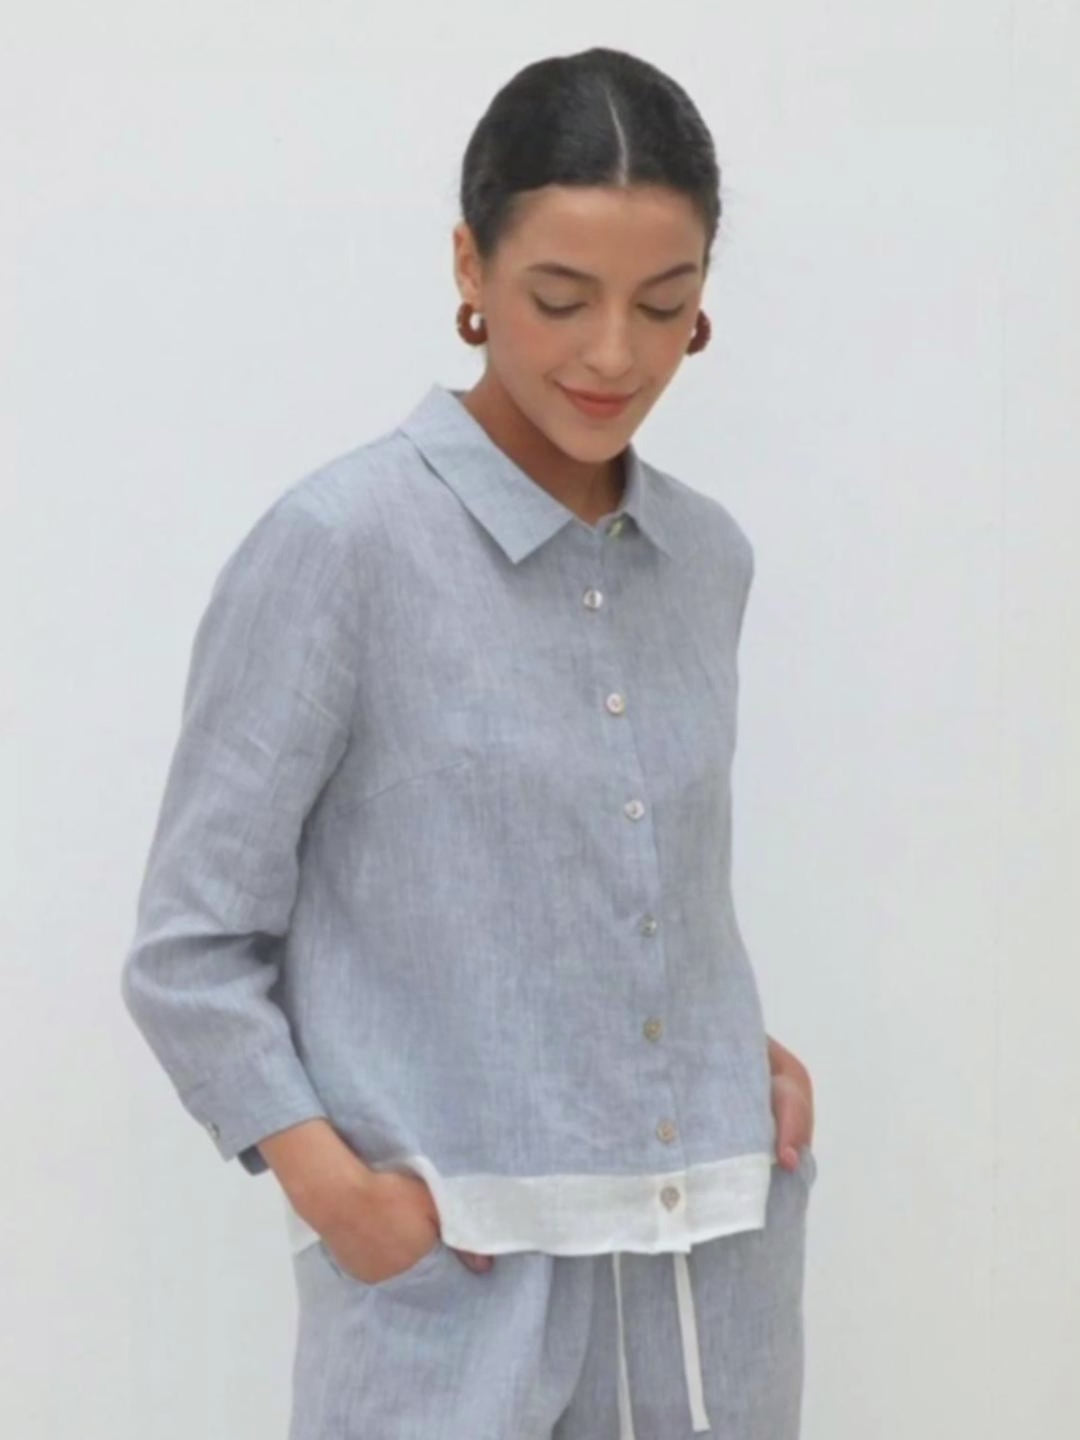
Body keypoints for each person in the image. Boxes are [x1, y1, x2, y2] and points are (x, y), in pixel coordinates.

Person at [120, 44, 817, 1440]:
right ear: (469, 268)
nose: (613, 354)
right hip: (453, 1303)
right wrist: (337, 1193)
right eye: (560, 298)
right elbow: (190, 948)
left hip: (708, 1277)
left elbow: (616, 879)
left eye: (663, 303)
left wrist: (718, 1050)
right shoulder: (340, 548)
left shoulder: (708, 561)